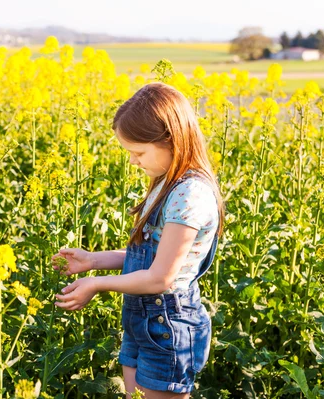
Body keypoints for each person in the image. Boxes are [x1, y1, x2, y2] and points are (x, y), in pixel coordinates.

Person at [52, 82, 224, 399]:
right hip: (141, 322)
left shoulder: (190, 193)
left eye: (139, 152)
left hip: (168, 325)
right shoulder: (166, 182)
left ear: (171, 139)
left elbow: (161, 276)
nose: (133, 161)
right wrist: (93, 260)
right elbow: (150, 255)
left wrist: (97, 283)